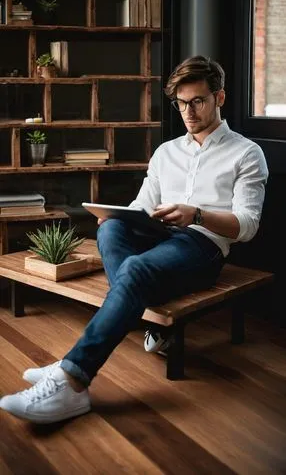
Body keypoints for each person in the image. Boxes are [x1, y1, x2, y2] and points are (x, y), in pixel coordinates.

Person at [0, 55, 268, 424]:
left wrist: (197, 214)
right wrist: (117, 215)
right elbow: (141, 206)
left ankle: (71, 378)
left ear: (219, 98)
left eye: (197, 101)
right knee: (111, 228)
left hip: (202, 245)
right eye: (180, 103)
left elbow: (248, 225)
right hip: (159, 237)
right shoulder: (166, 152)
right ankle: (133, 332)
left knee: (137, 270)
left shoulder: (246, 153)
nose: (187, 111)